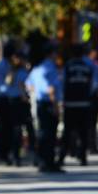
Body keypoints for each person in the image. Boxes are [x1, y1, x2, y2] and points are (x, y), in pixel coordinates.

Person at [27, 45, 64, 173]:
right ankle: (49, 162)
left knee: (43, 133)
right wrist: (56, 107)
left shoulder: (37, 68)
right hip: (49, 103)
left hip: (40, 103)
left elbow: (29, 85)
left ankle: (41, 160)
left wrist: (38, 91)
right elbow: (51, 89)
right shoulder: (50, 68)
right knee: (50, 134)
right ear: (51, 54)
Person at [61, 44, 98, 166]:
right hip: (84, 103)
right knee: (83, 131)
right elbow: (93, 84)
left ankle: (63, 156)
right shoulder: (88, 66)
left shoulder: (68, 66)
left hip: (70, 103)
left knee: (68, 131)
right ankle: (83, 157)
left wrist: (63, 98)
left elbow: (63, 83)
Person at [0, 46, 29, 166]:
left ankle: (14, 155)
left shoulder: (18, 68)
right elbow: (7, 83)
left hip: (15, 100)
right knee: (6, 129)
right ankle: (4, 154)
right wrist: (13, 70)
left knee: (16, 129)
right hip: (5, 99)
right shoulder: (4, 65)